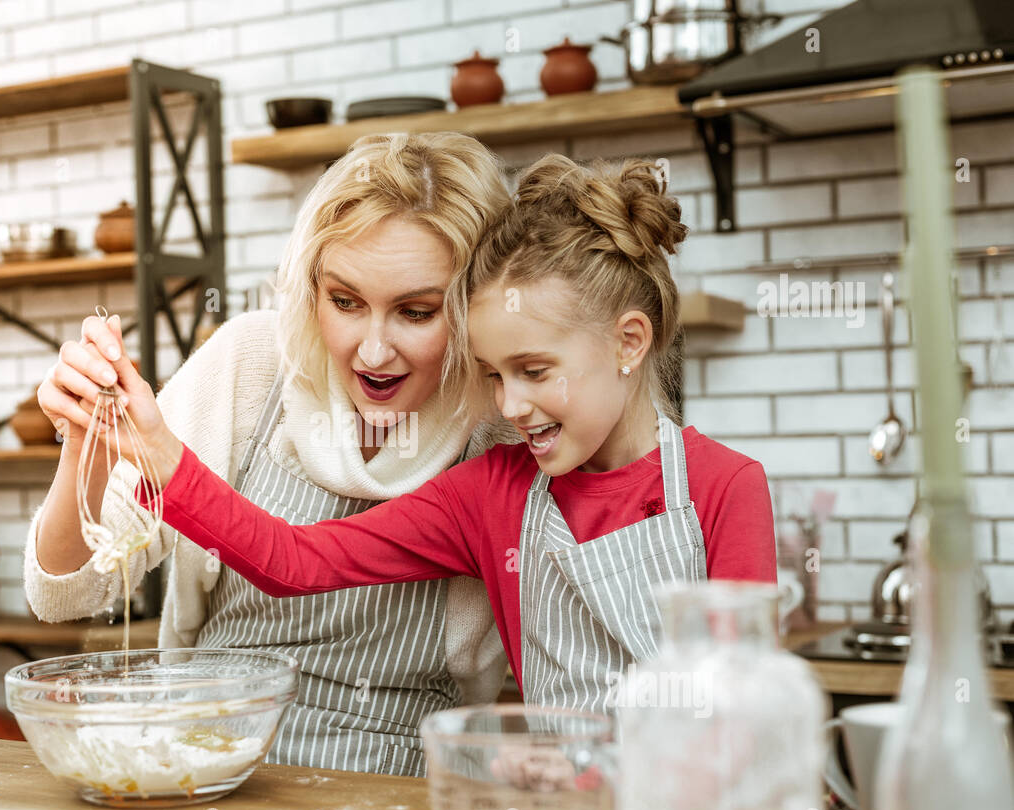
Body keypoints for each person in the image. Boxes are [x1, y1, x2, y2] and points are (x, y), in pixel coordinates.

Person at [89, 153, 779, 713]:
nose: (510, 404)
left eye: (534, 370)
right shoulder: (493, 494)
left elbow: (748, 701)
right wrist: (160, 456)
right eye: (492, 374)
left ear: (630, 342)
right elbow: (292, 561)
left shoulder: (725, 488)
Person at [24, 132, 520, 775]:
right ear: (310, 289)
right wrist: (84, 446)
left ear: (473, 308)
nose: (373, 351)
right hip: (203, 761)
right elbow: (62, 596)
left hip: (395, 788)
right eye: (344, 302)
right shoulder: (251, 364)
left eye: (416, 313)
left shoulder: (503, 426)